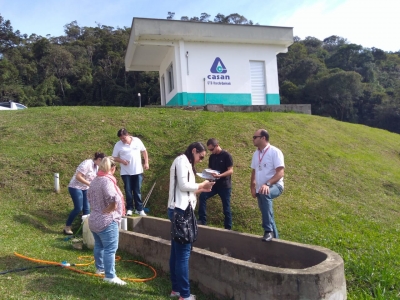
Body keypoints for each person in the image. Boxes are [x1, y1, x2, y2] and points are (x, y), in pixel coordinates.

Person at [167, 142, 215, 300]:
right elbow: (183, 185)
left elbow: (187, 189)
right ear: (194, 151)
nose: (201, 160)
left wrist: (202, 189)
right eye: (201, 156)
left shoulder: (185, 162)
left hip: (180, 210)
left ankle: (177, 290)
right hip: (180, 211)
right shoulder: (182, 160)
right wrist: (201, 183)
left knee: (176, 252)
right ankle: (185, 295)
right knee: (182, 254)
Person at [87, 156, 126, 285]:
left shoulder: (95, 180)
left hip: (94, 219)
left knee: (99, 245)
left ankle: (100, 268)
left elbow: (89, 197)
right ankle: (110, 276)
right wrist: (113, 206)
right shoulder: (107, 181)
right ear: (113, 168)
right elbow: (113, 196)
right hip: (107, 221)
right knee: (110, 249)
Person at [250, 129, 285, 242]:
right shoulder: (256, 154)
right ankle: (276, 241)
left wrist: (267, 184)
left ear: (263, 138)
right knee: (267, 212)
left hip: (276, 186)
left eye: (255, 137)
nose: (253, 139)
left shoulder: (275, 152)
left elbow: (280, 172)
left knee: (266, 194)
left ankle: (268, 230)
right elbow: (254, 171)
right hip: (261, 188)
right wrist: (252, 187)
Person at [64, 152, 105, 235]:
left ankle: (86, 231)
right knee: (78, 208)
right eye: (103, 162)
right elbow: (78, 176)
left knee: (87, 210)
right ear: (99, 159)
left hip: (86, 188)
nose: (103, 165)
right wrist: (90, 184)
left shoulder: (97, 166)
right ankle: (67, 227)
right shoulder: (87, 163)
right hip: (75, 187)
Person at [112, 128, 149, 216]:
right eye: (121, 139)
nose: (122, 140)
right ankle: (129, 208)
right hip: (125, 172)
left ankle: (139, 209)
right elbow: (114, 157)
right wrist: (122, 161)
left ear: (128, 135)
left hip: (137, 170)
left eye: (124, 138)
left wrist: (146, 162)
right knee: (128, 190)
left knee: (137, 190)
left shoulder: (137, 141)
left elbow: (144, 151)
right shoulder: (118, 145)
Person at [198, 138, 234, 229]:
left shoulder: (227, 156)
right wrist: (207, 175)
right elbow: (210, 169)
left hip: (224, 186)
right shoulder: (212, 157)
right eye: (209, 150)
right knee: (202, 196)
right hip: (213, 184)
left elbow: (230, 171)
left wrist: (220, 175)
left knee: (226, 207)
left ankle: (228, 227)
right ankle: (202, 220)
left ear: (217, 145)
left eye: (212, 149)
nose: (211, 152)